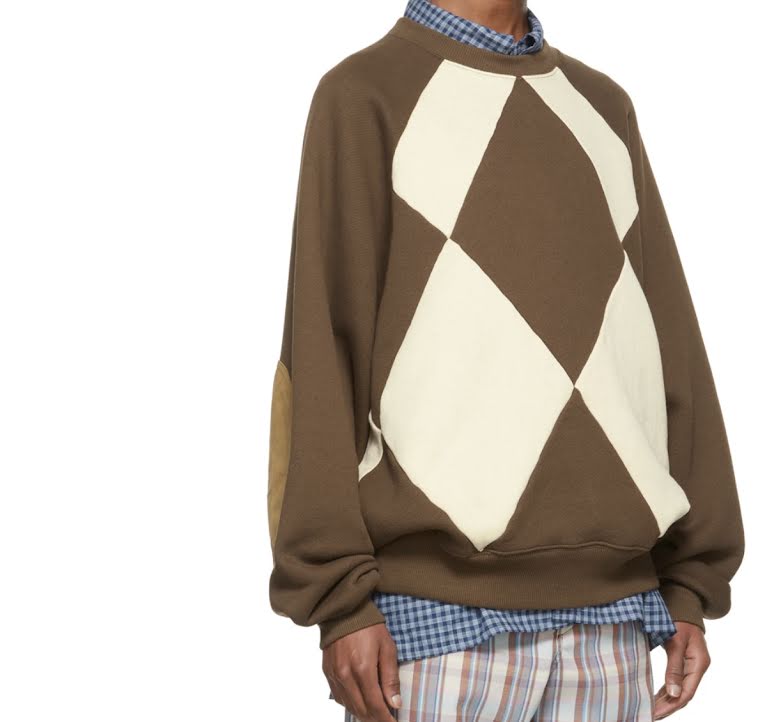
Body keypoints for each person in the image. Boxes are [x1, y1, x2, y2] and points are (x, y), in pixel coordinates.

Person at [266, 1, 745, 720]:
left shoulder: (603, 106)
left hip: (614, 624)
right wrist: (339, 601)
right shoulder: (364, 95)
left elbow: (668, 346)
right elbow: (321, 350)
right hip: (435, 627)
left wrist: (689, 583)